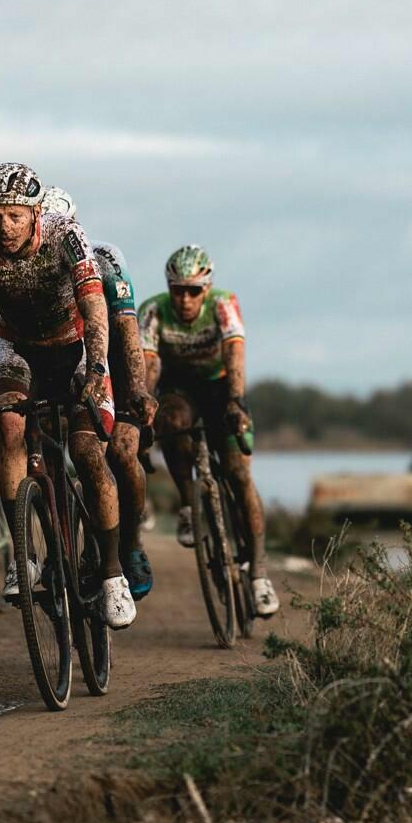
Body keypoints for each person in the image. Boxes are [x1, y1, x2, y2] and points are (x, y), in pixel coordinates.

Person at [0, 163, 135, 629]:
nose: (2, 227)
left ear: (33, 212)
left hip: (75, 346)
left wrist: (97, 367)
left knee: (88, 452)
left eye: (13, 216)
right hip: (19, 348)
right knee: (8, 424)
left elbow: (94, 305)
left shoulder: (65, 234)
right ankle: (23, 554)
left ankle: (111, 574)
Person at [139, 244, 276, 617]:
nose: (184, 299)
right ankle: (188, 503)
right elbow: (149, 365)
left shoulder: (223, 304)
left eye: (193, 290)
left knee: (238, 473)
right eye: (177, 290)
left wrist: (236, 400)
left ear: (207, 287)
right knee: (171, 423)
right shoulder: (153, 310)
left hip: (219, 388)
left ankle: (260, 573)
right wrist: (146, 405)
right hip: (179, 389)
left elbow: (235, 352)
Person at [39, 187, 160, 600]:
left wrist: (138, 390)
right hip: (59, 361)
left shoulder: (105, 259)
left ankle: (131, 545)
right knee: (45, 454)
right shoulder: (25, 261)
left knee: (123, 452)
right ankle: (57, 554)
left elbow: (126, 328)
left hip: (112, 363)